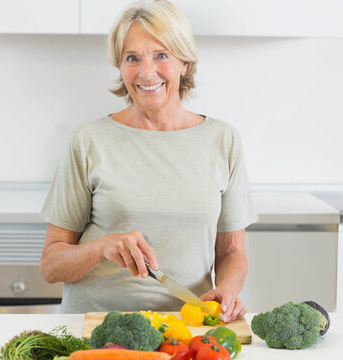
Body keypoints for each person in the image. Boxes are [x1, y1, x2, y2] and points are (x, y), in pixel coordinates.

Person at [39, 0, 258, 322]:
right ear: (120, 66)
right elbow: (51, 265)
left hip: (185, 329)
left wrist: (227, 289)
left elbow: (231, 253)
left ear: (185, 62)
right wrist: (103, 246)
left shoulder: (223, 140)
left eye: (161, 55)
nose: (146, 72)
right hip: (95, 326)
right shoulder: (88, 140)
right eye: (132, 58)